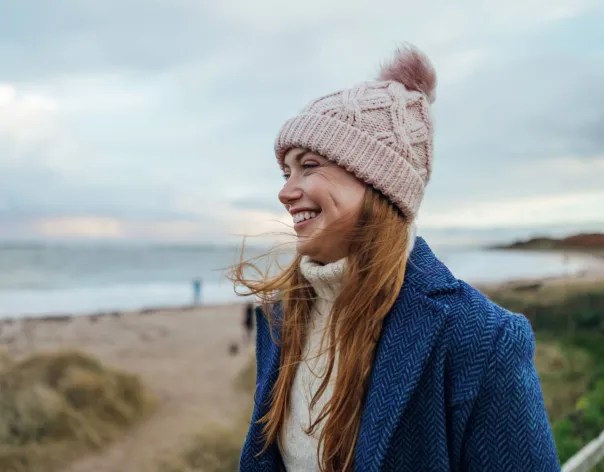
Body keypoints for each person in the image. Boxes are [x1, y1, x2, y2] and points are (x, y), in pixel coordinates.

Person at [231, 45, 560, 471]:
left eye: (308, 166)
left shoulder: (480, 340)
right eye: (285, 172)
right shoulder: (280, 318)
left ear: (378, 182)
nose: (285, 191)